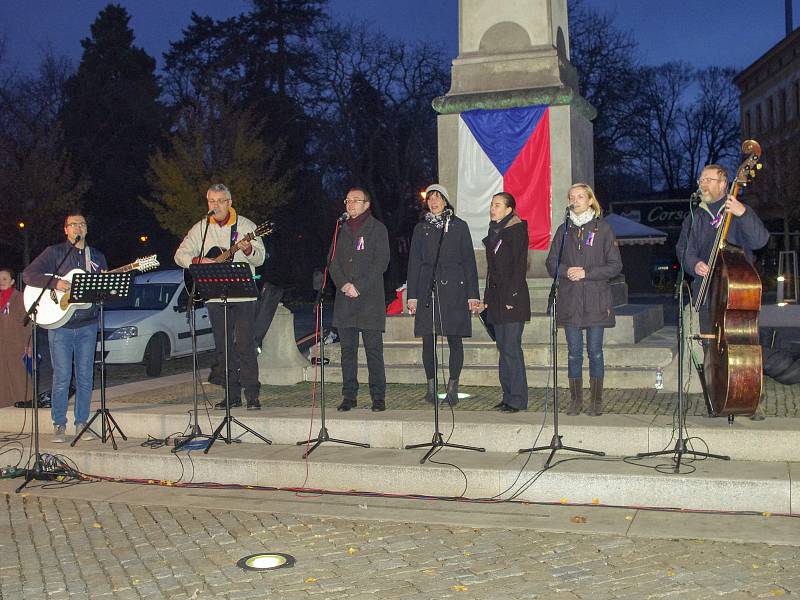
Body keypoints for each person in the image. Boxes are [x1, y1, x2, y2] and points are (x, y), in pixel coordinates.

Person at [676, 163, 769, 419]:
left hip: (734, 292)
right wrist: (695, 264)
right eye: (701, 179)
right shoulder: (696, 215)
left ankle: (751, 397)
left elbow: (760, 241)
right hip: (706, 293)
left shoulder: (736, 210)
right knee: (711, 349)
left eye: (708, 180)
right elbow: (683, 249)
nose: (702, 184)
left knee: (745, 345)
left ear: (723, 184)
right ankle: (717, 395)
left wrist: (743, 213)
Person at [174, 183, 265, 410]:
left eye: (220, 201)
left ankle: (252, 395)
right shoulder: (201, 228)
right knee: (223, 348)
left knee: (245, 345)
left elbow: (260, 258)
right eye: (212, 201)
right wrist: (198, 261)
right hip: (214, 296)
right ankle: (231, 394)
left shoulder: (246, 226)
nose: (216, 205)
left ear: (229, 202)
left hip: (243, 296)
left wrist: (247, 250)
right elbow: (180, 255)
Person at [23, 212, 108, 442]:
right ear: (66, 230)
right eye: (73, 224)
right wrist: (57, 283)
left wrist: (103, 288)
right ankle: (59, 424)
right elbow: (28, 274)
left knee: (85, 377)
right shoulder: (55, 253)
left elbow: (102, 290)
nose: (78, 227)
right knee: (62, 376)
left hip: (87, 325)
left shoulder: (97, 257)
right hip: (60, 325)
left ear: (86, 229)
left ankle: (82, 422)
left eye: (82, 223)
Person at [546, 183, 621, 416]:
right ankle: (576, 399)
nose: (575, 200)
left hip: (596, 299)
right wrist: (565, 270)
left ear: (590, 200)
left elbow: (615, 265)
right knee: (573, 352)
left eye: (580, 196)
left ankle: (596, 400)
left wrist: (587, 273)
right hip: (570, 300)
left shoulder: (603, 229)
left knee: (595, 351)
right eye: (572, 196)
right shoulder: (563, 230)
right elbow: (551, 263)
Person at [407, 184, 480, 406]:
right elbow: (414, 262)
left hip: (454, 290)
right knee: (428, 340)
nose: (434, 201)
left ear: (446, 201)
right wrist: (412, 295)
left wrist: (472, 295)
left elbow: (469, 262)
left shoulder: (459, 226)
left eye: (438, 197)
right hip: (427, 288)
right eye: (430, 198)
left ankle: (452, 388)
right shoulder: (421, 228)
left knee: (454, 339)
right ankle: (430, 388)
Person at [329, 187, 390, 412]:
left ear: (366, 204)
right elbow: (332, 261)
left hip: (369, 300)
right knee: (348, 352)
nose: (350, 204)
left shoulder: (377, 229)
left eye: (356, 200)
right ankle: (349, 396)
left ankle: (378, 397)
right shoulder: (340, 229)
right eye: (348, 200)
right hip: (345, 301)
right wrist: (343, 284)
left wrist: (359, 286)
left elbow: (381, 262)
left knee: (374, 351)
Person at [481, 192, 531, 413]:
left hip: (512, 299)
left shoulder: (516, 231)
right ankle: (507, 395)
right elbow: (492, 272)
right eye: (492, 205)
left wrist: (512, 297)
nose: (493, 208)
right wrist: (486, 300)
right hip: (496, 299)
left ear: (509, 210)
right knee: (503, 348)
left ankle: (518, 399)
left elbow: (519, 267)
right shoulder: (495, 231)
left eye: (498, 205)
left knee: (511, 348)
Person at [0, 268, 32, 409]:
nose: (1, 282)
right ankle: (4, 406)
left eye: (4, 279)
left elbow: (27, 323)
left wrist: (28, 344)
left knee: (19, 376)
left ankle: (25, 402)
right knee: (3, 376)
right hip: (2, 345)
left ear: (12, 281)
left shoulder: (18, 297)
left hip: (16, 344)